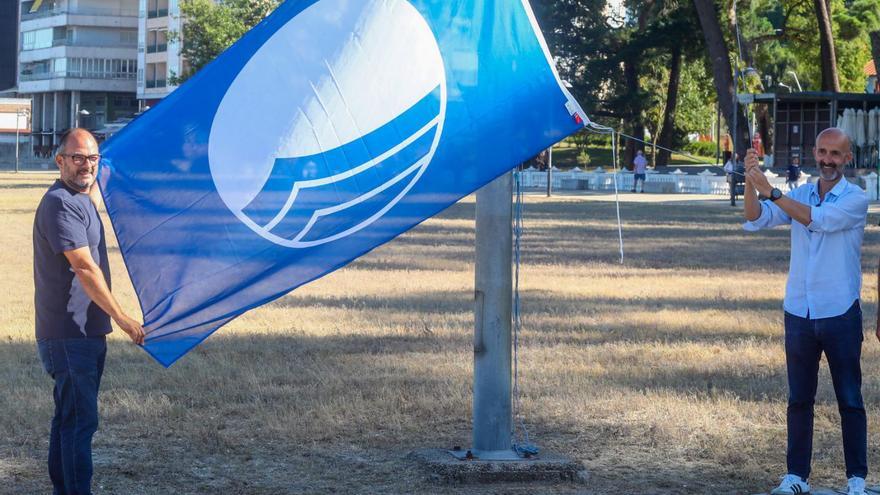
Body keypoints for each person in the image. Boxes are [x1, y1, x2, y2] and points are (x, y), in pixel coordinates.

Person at [742, 127, 868, 495]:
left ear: (848, 159)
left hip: (840, 312)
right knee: (799, 399)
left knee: (850, 399)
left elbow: (820, 220)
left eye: (836, 154)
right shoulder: (801, 193)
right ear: (814, 152)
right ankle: (797, 477)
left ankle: (856, 480)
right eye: (823, 152)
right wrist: (752, 180)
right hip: (799, 311)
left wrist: (772, 191)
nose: (828, 160)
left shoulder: (856, 199)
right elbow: (755, 218)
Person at [33, 128, 145, 495]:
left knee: (68, 419)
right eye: (77, 157)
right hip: (69, 335)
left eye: (92, 158)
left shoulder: (79, 198)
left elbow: (92, 188)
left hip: (83, 333)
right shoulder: (59, 203)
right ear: (60, 160)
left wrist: (118, 156)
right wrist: (124, 319)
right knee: (80, 422)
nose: (86, 165)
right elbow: (83, 267)